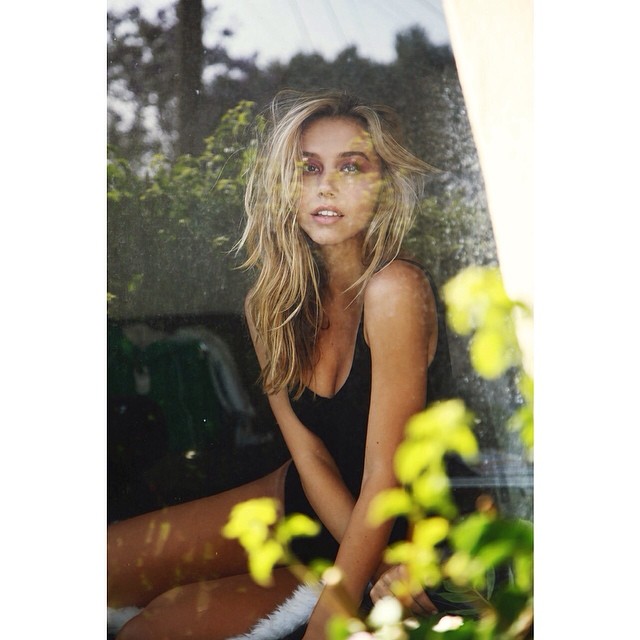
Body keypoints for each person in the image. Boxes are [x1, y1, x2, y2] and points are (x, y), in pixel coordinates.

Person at [108, 89, 457, 640]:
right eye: (308, 168)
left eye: (350, 166)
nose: (326, 186)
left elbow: (383, 476)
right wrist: (361, 572)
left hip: (390, 524)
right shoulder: (270, 305)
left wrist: (335, 613)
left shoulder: (395, 288)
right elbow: (311, 456)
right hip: (305, 502)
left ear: (383, 185)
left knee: (156, 629)